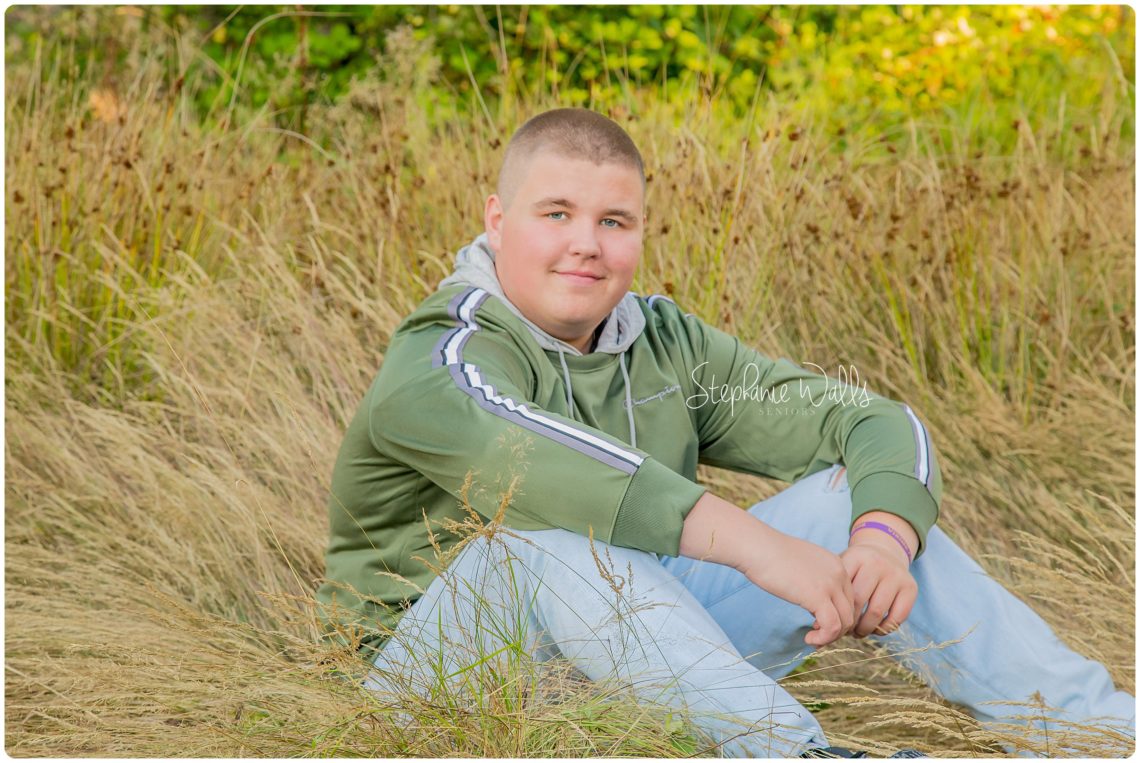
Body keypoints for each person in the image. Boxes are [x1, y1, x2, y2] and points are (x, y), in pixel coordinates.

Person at [316, 108, 1134, 757]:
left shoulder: (665, 344)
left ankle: (1098, 738)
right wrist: (754, 545)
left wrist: (882, 542)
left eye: (614, 221)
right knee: (533, 543)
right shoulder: (438, 356)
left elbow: (872, 421)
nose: (585, 245)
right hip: (430, 690)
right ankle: (799, 754)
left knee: (849, 499)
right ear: (498, 219)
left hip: (642, 662)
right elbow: (534, 465)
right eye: (556, 213)